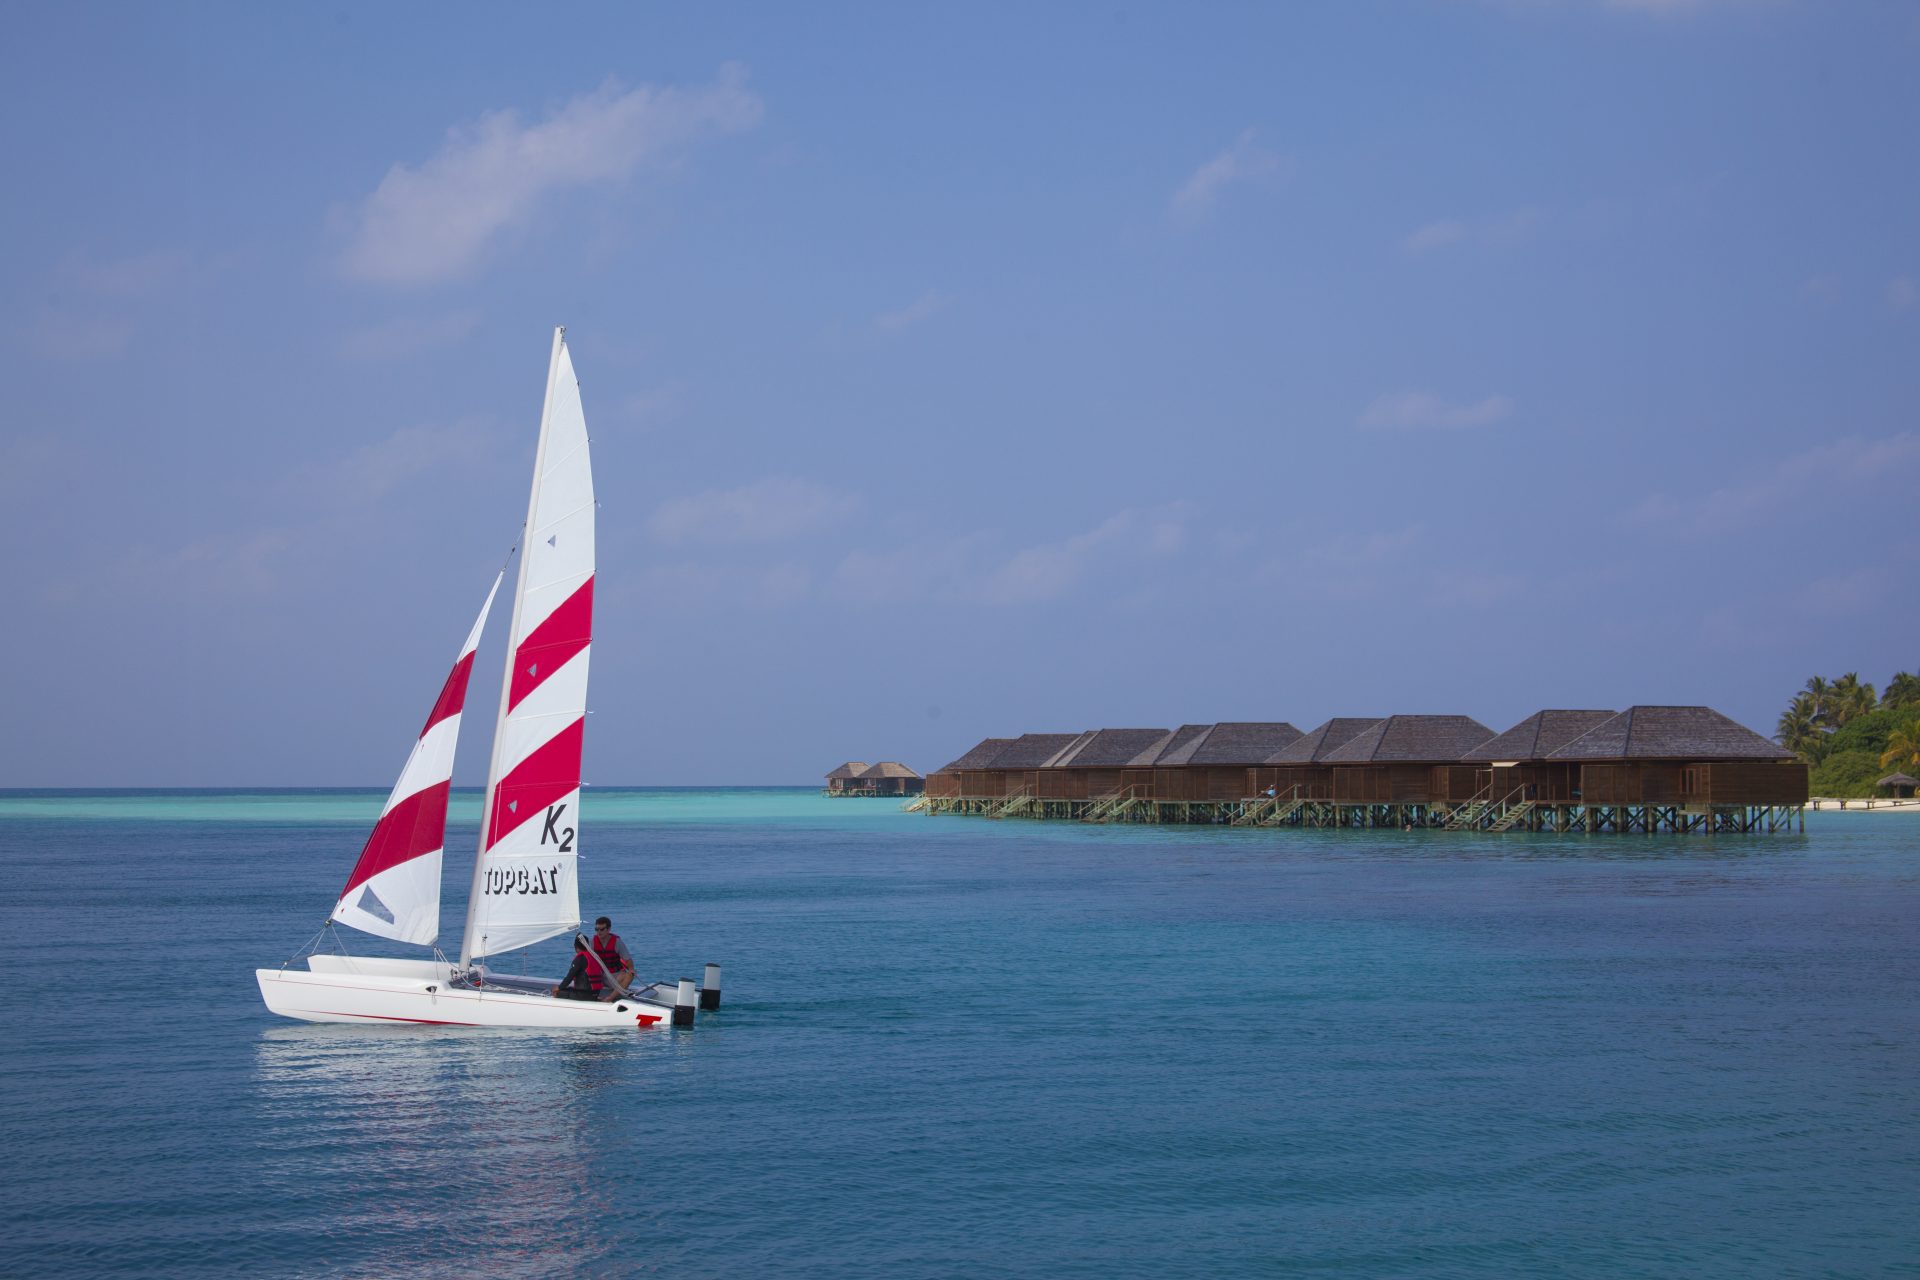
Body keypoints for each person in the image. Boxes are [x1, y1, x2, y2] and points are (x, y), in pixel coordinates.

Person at [586, 916, 636, 1001]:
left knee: (630, 975)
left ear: (608, 929)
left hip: (615, 976)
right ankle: (593, 994)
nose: (599, 932)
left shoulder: (617, 942)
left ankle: (610, 997)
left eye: (602, 929)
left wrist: (631, 969)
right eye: (597, 929)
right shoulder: (592, 942)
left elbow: (628, 960)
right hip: (600, 976)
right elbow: (586, 959)